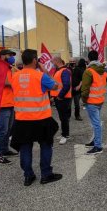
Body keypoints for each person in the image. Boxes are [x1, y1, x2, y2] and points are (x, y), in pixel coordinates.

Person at [10, 49, 62, 186]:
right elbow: (56, 87)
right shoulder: (40, 76)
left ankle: (28, 176)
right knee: (45, 146)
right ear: (35, 61)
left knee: (25, 148)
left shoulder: (15, 76)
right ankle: (46, 174)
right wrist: (43, 70)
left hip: (22, 119)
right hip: (41, 119)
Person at [0, 49, 18, 165]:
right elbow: (4, 82)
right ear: (3, 56)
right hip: (2, 104)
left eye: (13, 55)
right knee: (2, 130)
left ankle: (5, 149)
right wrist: (17, 83)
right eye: (10, 55)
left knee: (8, 130)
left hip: (10, 103)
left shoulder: (8, 68)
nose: (12, 57)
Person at [81, 50, 107, 155]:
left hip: (91, 102)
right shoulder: (103, 70)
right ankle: (95, 141)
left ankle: (98, 146)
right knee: (95, 123)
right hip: (100, 100)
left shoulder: (89, 71)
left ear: (89, 59)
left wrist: (84, 100)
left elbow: (85, 89)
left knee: (96, 124)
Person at [52, 56, 72, 145]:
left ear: (56, 61)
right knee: (62, 117)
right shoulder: (60, 70)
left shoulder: (64, 71)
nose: (52, 64)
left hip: (63, 98)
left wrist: (60, 96)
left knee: (64, 118)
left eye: (53, 61)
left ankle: (65, 135)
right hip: (60, 97)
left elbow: (66, 85)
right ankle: (65, 134)